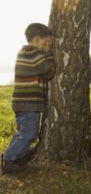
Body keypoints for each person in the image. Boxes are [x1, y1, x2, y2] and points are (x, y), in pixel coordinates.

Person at [1, 23, 55, 174]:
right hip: (28, 103)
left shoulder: (26, 52)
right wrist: (50, 55)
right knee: (29, 134)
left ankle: (12, 157)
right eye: (47, 43)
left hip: (23, 103)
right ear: (37, 40)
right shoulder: (35, 54)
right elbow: (48, 72)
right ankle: (9, 160)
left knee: (23, 131)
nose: (48, 46)